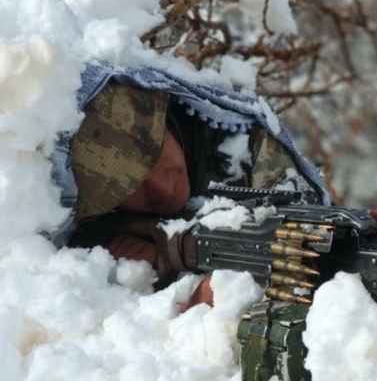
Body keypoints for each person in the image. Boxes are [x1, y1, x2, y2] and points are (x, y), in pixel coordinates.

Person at [61, 64, 329, 309]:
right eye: (128, 188)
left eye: (154, 155)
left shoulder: (251, 151)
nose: (162, 188)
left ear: (164, 119)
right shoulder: (97, 229)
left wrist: (194, 296)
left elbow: (309, 269)